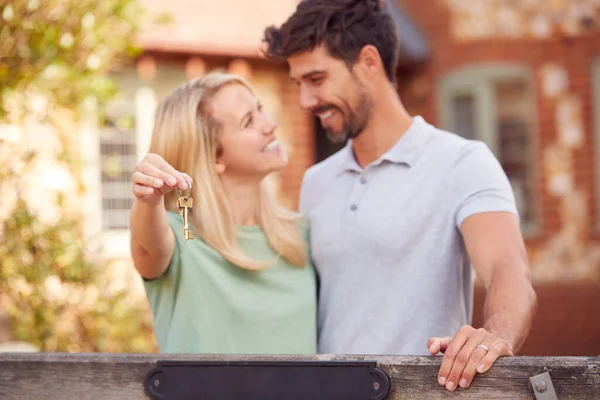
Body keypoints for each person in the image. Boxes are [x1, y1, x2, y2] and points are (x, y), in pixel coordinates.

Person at [262, 0, 537, 392]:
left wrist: (495, 335)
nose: (306, 101)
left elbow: (507, 270)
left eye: (317, 79)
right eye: (299, 84)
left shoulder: (461, 162)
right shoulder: (316, 181)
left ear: (369, 62)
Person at [129, 72, 317, 354]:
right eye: (249, 121)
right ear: (215, 156)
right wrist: (148, 199)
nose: (270, 125)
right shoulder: (182, 239)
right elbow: (148, 242)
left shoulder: (300, 234)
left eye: (260, 110)